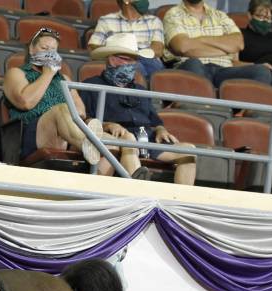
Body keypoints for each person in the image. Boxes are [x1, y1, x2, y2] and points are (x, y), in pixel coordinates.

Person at [3, 27, 150, 178]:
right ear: (32, 49)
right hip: (34, 134)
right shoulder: (17, 73)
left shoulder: (64, 79)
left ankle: (134, 181)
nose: (49, 53)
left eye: (53, 50)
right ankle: (89, 144)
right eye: (44, 48)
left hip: (69, 135)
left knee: (121, 141)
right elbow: (26, 102)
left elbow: (80, 112)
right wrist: (48, 74)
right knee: (61, 108)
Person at [82, 33, 198, 186]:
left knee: (189, 150)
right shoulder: (91, 85)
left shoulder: (141, 90)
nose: (132, 65)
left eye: (134, 60)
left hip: (146, 139)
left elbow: (155, 121)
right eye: (127, 59)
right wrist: (107, 125)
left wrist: (161, 130)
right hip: (119, 139)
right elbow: (84, 119)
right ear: (112, 59)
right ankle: (139, 190)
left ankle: (180, 199)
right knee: (129, 139)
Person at [163, 0, 272, 87]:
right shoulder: (173, 14)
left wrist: (198, 41)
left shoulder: (220, 15)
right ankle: (203, 106)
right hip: (191, 67)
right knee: (194, 63)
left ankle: (242, 109)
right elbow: (182, 47)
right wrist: (224, 48)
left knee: (261, 71)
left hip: (223, 70)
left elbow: (238, 43)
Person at [88, 0, 167, 79]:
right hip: (120, 58)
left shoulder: (154, 21)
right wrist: (120, 52)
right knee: (134, 66)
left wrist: (134, 53)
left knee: (146, 65)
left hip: (148, 60)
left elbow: (158, 50)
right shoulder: (106, 20)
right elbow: (93, 48)